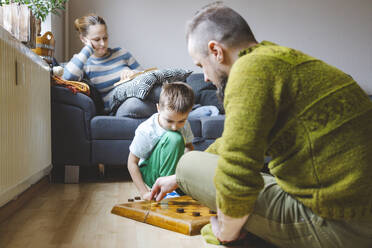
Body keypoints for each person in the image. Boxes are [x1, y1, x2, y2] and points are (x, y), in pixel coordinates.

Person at [149, 2, 372, 247]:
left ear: (216, 51)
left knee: (187, 164)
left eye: (201, 65)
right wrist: (177, 181)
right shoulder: (281, 59)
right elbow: (235, 144)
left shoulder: (248, 71)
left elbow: (236, 176)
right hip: (358, 212)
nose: (204, 77)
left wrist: (226, 231)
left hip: (340, 226)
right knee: (193, 173)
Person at [62, 14, 144, 114]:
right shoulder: (84, 63)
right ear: (83, 39)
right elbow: (67, 77)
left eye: (105, 38)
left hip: (139, 95)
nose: (103, 44)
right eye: (97, 40)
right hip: (120, 106)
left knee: (162, 92)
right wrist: (87, 49)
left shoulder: (122, 53)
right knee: (134, 104)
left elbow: (146, 76)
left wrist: (133, 73)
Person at [127, 82, 195, 201]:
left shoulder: (184, 124)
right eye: (169, 121)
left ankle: (175, 186)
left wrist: (186, 169)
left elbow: (189, 146)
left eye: (181, 121)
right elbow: (132, 163)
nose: (175, 126)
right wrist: (144, 192)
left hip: (173, 169)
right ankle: (167, 190)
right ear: (158, 108)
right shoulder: (146, 130)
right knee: (174, 137)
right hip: (150, 171)